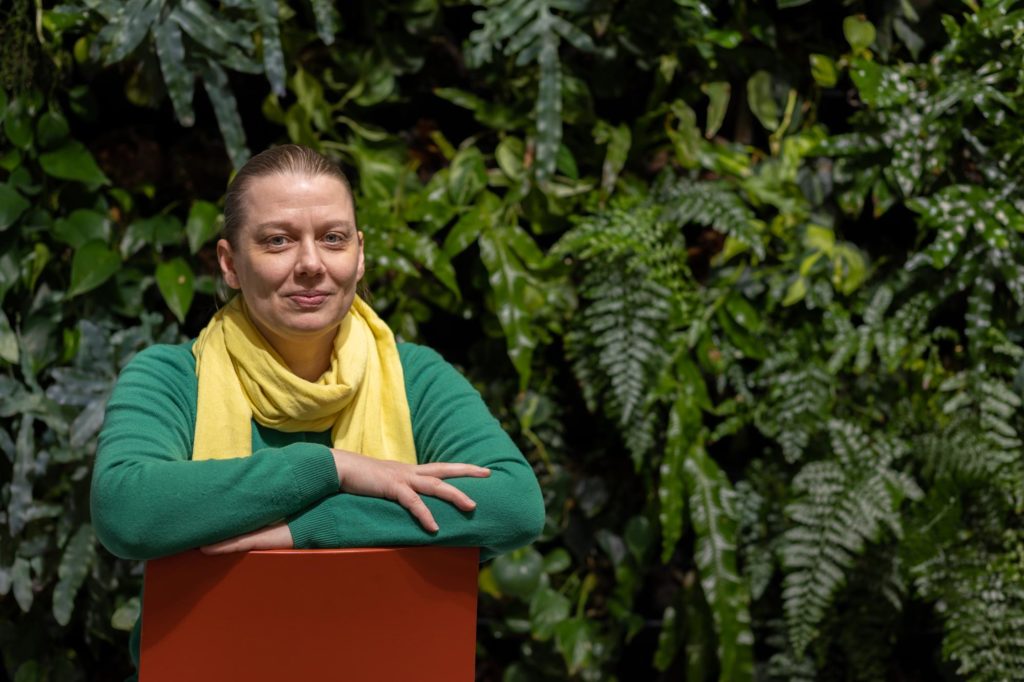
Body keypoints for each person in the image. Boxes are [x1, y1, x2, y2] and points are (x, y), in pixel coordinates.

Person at [90, 144, 546, 674]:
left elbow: (512, 503)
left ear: (359, 254)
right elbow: (127, 508)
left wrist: (322, 526)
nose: (310, 264)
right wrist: (332, 468)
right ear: (230, 263)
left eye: (332, 238)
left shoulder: (414, 377)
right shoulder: (172, 378)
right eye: (277, 241)